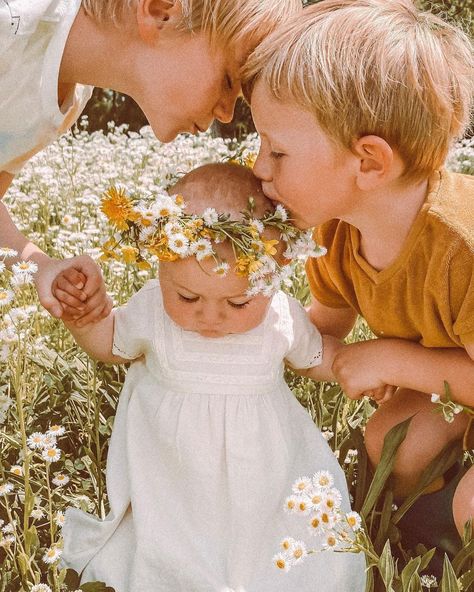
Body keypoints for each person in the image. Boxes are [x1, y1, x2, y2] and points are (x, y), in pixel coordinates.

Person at [55, 163, 366, 591]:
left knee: (279, 552)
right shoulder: (152, 312)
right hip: (172, 478)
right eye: (187, 296)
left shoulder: (277, 317)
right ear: (162, 265)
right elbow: (109, 344)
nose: (210, 316)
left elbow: (316, 356)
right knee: (169, 550)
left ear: (273, 273)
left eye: (238, 303)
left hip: (263, 477)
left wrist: (355, 366)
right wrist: (84, 318)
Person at [243, 0, 474, 554]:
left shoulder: (460, 246)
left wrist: (395, 360)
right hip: (457, 390)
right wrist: (237, 316)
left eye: (277, 150)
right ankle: (415, 547)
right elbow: (323, 336)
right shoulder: (335, 236)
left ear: (368, 162)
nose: (259, 168)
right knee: (390, 440)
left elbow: (383, 360)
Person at [0, 0, 301, 325]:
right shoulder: (13, 24)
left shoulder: (66, 101)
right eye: (228, 81)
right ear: (159, 13)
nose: (226, 115)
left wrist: (39, 264)